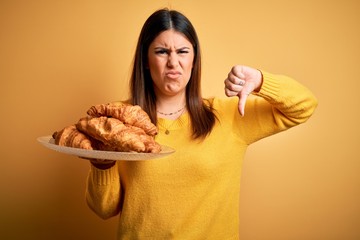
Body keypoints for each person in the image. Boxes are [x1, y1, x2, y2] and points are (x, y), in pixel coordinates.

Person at [85, 8, 318, 239]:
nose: (173, 62)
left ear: (194, 59)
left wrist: (260, 81)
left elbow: (304, 105)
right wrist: (101, 164)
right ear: (146, 60)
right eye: (161, 51)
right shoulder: (117, 121)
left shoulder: (228, 116)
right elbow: (104, 209)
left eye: (183, 51)